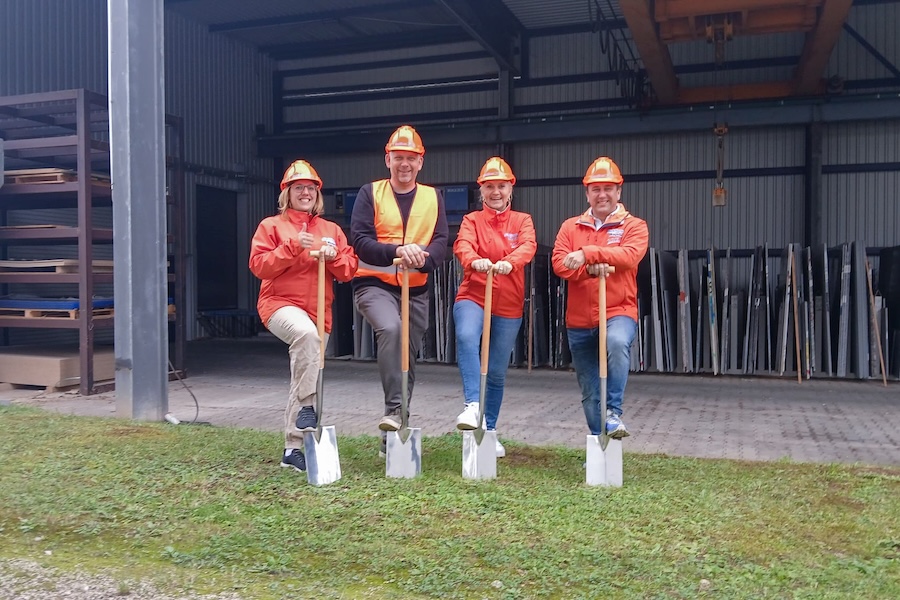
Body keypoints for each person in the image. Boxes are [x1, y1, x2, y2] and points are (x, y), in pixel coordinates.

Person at [249, 159, 358, 472]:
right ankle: (308, 406)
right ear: (287, 193)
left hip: (319, 311)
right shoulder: (272, 226)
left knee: (304, 372)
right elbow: (259, 266)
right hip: (279, 304)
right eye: (299, 188)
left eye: (310, 188)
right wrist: (292, 246)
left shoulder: (331, 230)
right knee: (306, 337)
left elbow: (349, 270)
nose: (305, 193)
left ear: (318, 194)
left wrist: (334, 257)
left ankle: (291, 449)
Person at [349, 125, 449, 456]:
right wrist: (396, 252)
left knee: (408, 355)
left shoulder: (433, 197)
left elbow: (441, 240)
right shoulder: (370, 193)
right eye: (398, 157)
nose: (404, 164)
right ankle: (394, 411)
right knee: (391, 329)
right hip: (374, 284)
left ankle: (396, 426)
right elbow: (359, 240)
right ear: (387, 160)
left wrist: (424, 259)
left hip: (415, 288)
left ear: (420, 162)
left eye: (410, 158)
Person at [552, 156, 648, 439]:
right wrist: (590, 271)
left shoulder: (634, 226)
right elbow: (559, 263)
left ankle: (614, 413)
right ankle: (598, 442)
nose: (602, 194)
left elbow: (629, 256)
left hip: (618, 311)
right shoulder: (571, 227)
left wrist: (586, 254)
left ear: (619, 191)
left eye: (608, 188)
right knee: (590, 390)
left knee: (617, 343)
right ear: (587, 193)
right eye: (596, 189)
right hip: (580, 320)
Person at [453, 157, 536, 458]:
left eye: (501, 186)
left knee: (497, 371)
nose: (496, 192)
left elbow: (528, 246)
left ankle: (489, 429)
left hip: (508, 302)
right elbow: (462, 244)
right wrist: (473, 260)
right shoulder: (472, 220)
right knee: (466, 336)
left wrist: (509, 262)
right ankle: (472, 405)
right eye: (490, 186)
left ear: (510, 189)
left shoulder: (522, 221)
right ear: (482, 190)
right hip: (474, 295)